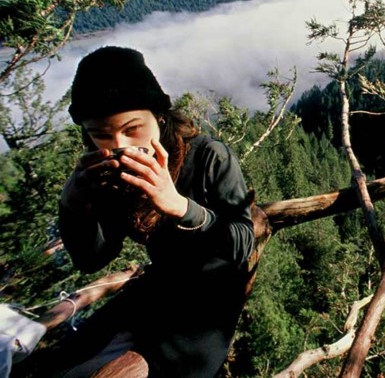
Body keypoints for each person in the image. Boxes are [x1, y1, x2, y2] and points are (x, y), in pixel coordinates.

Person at [53, 46, 255, 377]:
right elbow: (92, 259)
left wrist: (178, 205)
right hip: (158, 292)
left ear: (159, 117)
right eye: (101, 135)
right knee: (65, 362)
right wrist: (73, 206)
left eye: (133, 129)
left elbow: (241, 244)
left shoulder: (208, 157)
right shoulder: (111, 172)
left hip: (210, 304)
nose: (120, 144)